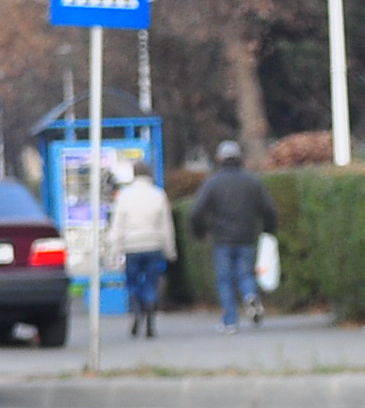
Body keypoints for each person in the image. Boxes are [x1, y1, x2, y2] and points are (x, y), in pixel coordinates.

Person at [187, 140, 274, 334]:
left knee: (224, 279)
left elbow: (196, 213)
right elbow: (268, 209)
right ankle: (250, 296)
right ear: (240, 158)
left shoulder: (213, 183)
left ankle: (230, 321)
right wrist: (269, 230)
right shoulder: (253, 182)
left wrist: (200, 232)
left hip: (222, 239)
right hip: (247, 236)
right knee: (246, 274)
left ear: (219, 159)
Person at [110, 155, 175, 339]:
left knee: (133, 282)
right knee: (151, 283)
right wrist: (170, 249)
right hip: (153, 245)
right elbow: (166, 225)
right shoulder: (158, 194)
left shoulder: (124, 196)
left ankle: (137, 311)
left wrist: (116, 250)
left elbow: (118, 225)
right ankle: (150, 316)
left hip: (132, 246)